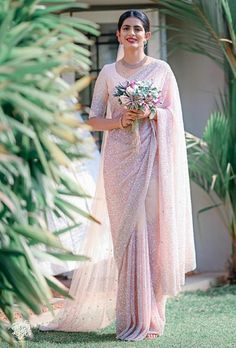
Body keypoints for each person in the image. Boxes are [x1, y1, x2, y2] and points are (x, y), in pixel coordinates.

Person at [40, 9, 196, 341]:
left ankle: (151, 317)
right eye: (126, 28)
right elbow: (93, 118)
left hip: (152, 161)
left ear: (147, 36)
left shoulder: (162, 71)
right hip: (118, 164)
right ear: (119, 34)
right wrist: (120, 121)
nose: (132, 33)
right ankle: (128, 318)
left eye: (138, 29)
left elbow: (173, 116)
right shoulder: (109, 73)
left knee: (152, 235)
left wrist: (151, 111)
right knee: (125, 238)